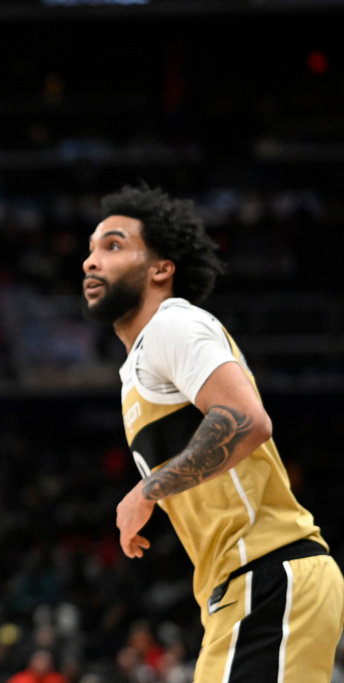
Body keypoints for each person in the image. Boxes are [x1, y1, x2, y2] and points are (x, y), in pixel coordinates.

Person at [81, 183, 344, 681]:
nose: (91, 261)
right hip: (238, 590)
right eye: (91, 249)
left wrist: (148, 489)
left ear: (161, 269)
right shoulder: (136, 371)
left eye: (112, 245)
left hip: (271, 572)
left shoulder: (172, 324)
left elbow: (247, 419)